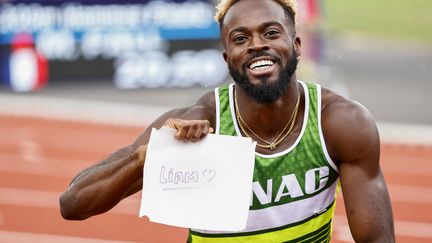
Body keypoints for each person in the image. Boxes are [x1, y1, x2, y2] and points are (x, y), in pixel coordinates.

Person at [59, 0, 395, 242]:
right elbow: (73, 204)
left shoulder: (339, 123)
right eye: (240, 39)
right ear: (227, 57)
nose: (257, 46)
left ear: (296, 45)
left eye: (271, 33)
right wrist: (148, 155)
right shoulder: (200, 122)